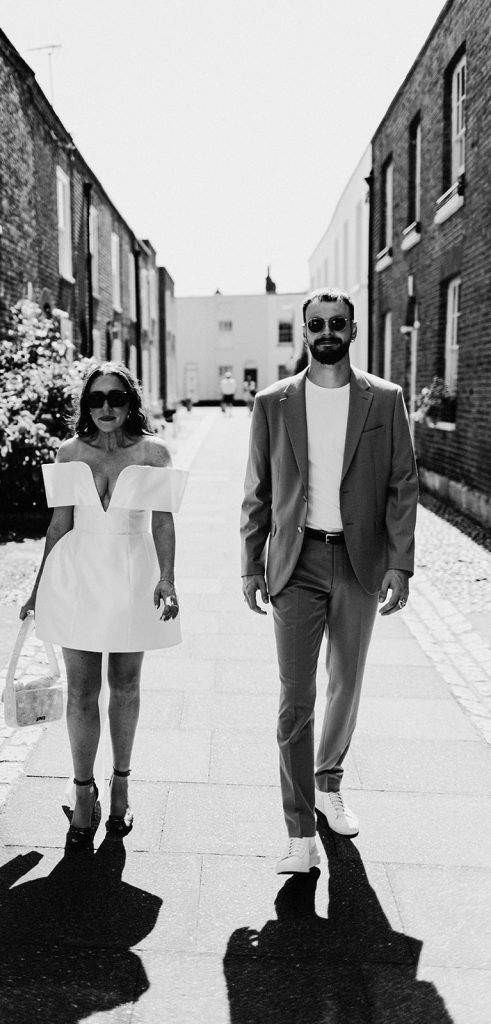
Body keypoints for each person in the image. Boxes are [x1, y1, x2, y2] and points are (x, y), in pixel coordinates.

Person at [240, 288, 418, 874]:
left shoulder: (385, 400)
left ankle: (328, 781)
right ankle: (298, 832)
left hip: (361, 561)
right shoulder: (273, 403)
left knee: (346, 682)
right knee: (296, 699)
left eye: (335, 323)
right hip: (296, 562)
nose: (325, 332)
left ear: (352, 329)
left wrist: (400, 561)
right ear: (306, 331)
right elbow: (258, 491)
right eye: (315, 324)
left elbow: (401, 486)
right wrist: (250, 562)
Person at [21, 362, 188, 851]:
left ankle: (121, 784)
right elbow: (58, 525)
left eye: (116, 398)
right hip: (79, 577)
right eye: (96, 399)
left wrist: (169, 579)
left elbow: (163, 523)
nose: (106, 408)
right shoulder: (69, 452)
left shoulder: (154, 452)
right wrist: (38, 587)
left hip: (134, 576)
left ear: (131, 401)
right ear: (85, 405)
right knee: (81, 690)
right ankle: (82, 791)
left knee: (127, 685)